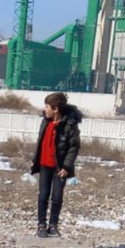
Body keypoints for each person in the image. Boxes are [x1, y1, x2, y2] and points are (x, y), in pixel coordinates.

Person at [29, 92, 82, 237]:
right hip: (44, 166)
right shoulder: (45, 122)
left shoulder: (70, 125)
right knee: (43, 196)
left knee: (57, 197)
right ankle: (41, 225)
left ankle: (53, 225)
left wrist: (66, 167)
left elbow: (73, 148)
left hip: (60, 168)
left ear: (55, 109)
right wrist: (35, 159)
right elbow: (40, 142)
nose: (44, 109)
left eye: (47, 106)